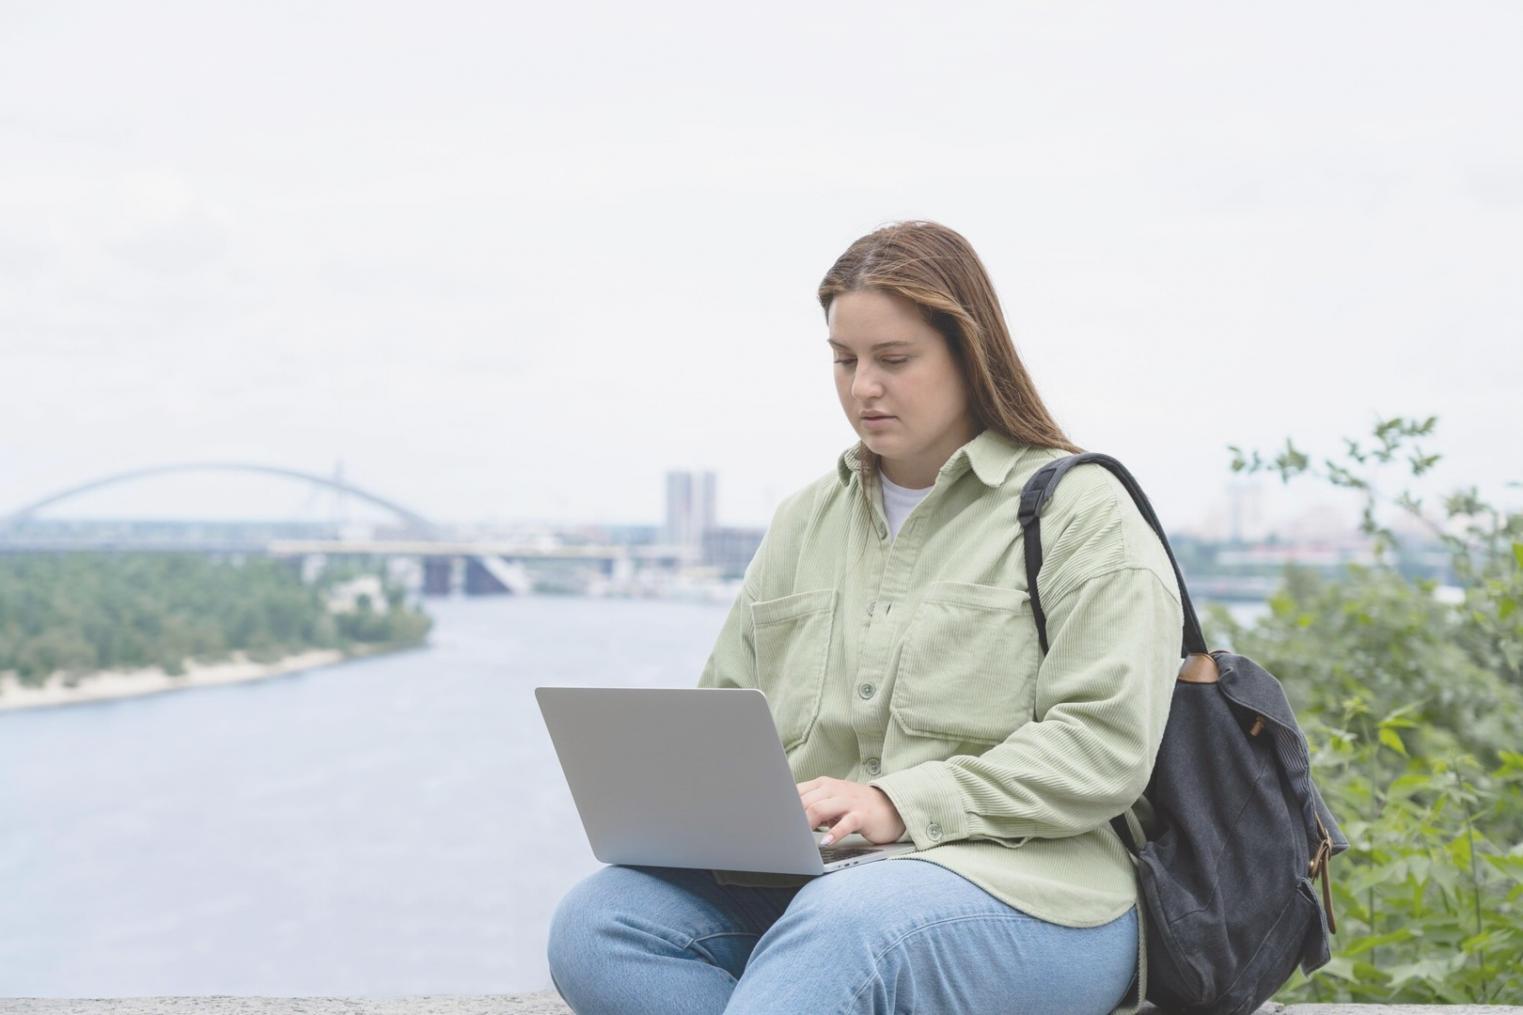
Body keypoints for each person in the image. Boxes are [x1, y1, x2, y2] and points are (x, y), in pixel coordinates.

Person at [545, 220, 1184, 1014]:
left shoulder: (1083, 513)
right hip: (823, 883)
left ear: (967, 351)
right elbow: (724, 717)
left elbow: (1103, 747)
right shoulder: (802, 522)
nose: (862, 388)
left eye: (893, 359)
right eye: (843, 360)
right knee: (599, 923)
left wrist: (899, 803)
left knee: (841, 934)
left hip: (1035, 892)